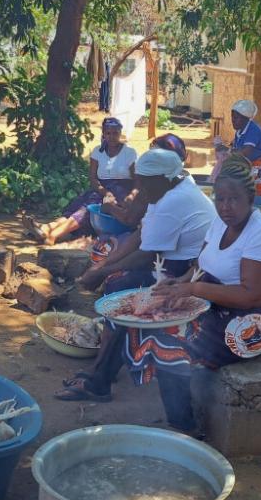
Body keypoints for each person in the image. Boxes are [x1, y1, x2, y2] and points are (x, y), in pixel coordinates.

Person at [120, 153, 261, 433]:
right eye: (220, 199)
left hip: (257, 317)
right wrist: (177, 283)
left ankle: (185, 428)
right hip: (215, 300)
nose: (225, 206)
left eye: (233, 199)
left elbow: (253, 296)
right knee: (149, 324)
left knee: (172, 344)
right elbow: (200, 264)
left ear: (251, 198)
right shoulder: (220, 222)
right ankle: (178, 416)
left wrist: (193, 288)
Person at [56, 148, 216, 402]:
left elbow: (147, 254)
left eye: (144, 181)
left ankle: (99, 381)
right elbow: (140, 235)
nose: (138, 186)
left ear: (164, 178)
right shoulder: (173, 189)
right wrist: (103, 266)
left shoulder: (173, 200)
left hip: (187, 273)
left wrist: (104, 272)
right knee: (115, 279)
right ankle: (103, 367)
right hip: (173, 265)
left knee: (123, 296)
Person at [25, 117, 136, 245]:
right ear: (104, 134)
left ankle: (54, 234)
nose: (111, 137)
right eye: (108, 133)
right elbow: (93, 178)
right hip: (101, 189)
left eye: (115, 133)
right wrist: (104, 192)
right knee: (79, 206)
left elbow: (136, 180)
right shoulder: (97, 151)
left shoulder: (129, 153)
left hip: (120, 192)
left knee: (87, 210)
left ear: (120, 133)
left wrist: (130, 198)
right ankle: (47, 228)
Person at [212, 100, 261, 197]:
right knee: (249, 191)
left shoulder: (253, 130)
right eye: (232, 117)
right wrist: (223, 149)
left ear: (245, 119)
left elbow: (245, 151)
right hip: (254, 163)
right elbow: (235, 148)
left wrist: (225, 149)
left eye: (236, 118)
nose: (233, 120)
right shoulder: (240, 131)